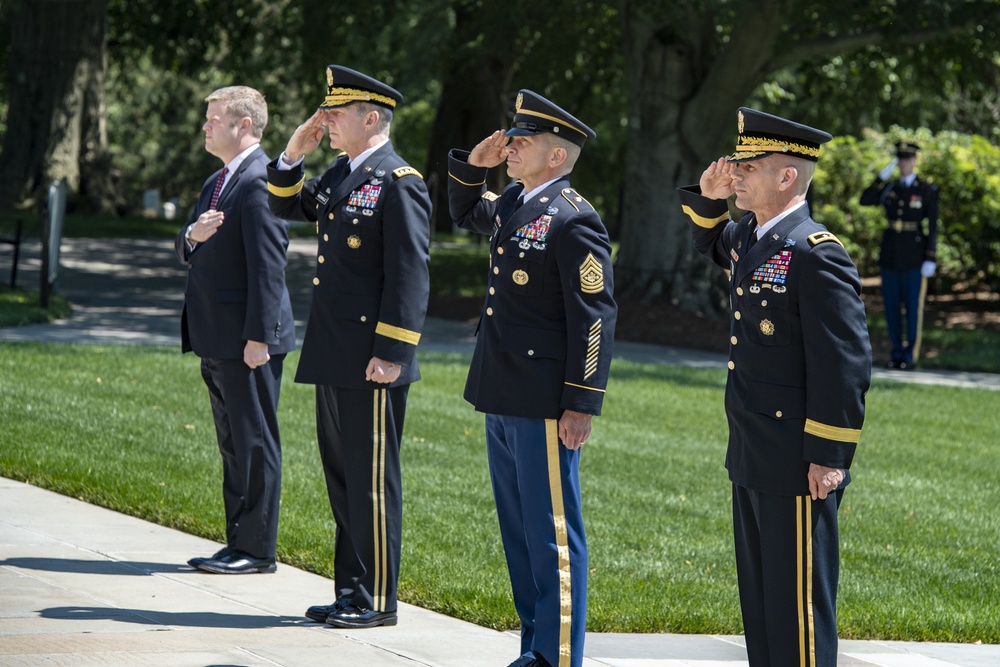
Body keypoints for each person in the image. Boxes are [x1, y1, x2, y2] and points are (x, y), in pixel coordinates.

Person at [677, 107, 872, 667]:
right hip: (752, 445)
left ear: (786, 177)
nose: (736, 174)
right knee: (762, 602)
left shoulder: (815, 252)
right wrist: (711, 197)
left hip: (795, 457)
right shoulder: (753, 236)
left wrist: (830, 454)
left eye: (749, 166)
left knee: (798, 608)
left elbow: (845, 362)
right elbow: (711, 244)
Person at [447, 90, 617, 667]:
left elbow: (594, 317)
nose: (511, 148)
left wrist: (582, 402)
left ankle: (557, 654)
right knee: (519, 532)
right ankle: (533, 648)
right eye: (512, 139)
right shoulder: (519, 202)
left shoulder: (573, 219)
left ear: (555, 156)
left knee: (551, 536)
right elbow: (466, 211)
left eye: (523, 142)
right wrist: (474, 167)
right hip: (503, 389)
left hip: (544, 400)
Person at [266, 65, 431, 629]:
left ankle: (378, 599)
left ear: (371, 118)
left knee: (371, 482)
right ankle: (351, 591)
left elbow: (409, 275)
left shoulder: (400, 180)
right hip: (335, 351)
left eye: (336, 114)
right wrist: (293, 152)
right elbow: (286, 204)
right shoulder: (343, 173)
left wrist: (392, 351)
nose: (327, 121)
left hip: (373, 359)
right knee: (342, 477)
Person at [176, 85, 295, 575]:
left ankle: (257, 550)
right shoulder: (219, 180)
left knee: (255, 441)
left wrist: (259, 338)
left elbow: (270, 266)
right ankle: (237, 543)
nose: (205, 125)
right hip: (218, 336)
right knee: (232, 445)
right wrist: (190, 236)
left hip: (248, 341)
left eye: (213, 118)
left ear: (243, 125)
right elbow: (192, 242)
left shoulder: (261, 181)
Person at [860, 141, 939, 369]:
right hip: (891, 255)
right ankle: (896, 354)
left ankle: (910, 356)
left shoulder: (926, 190)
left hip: (915, 256)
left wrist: (930, 257)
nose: (904, 163)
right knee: (892, 307)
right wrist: (880, 178)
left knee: (913, 308)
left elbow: (933, 226)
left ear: (914, 161)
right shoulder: (890, 188)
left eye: (908, 158)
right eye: (900, 159)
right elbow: (865, 200)